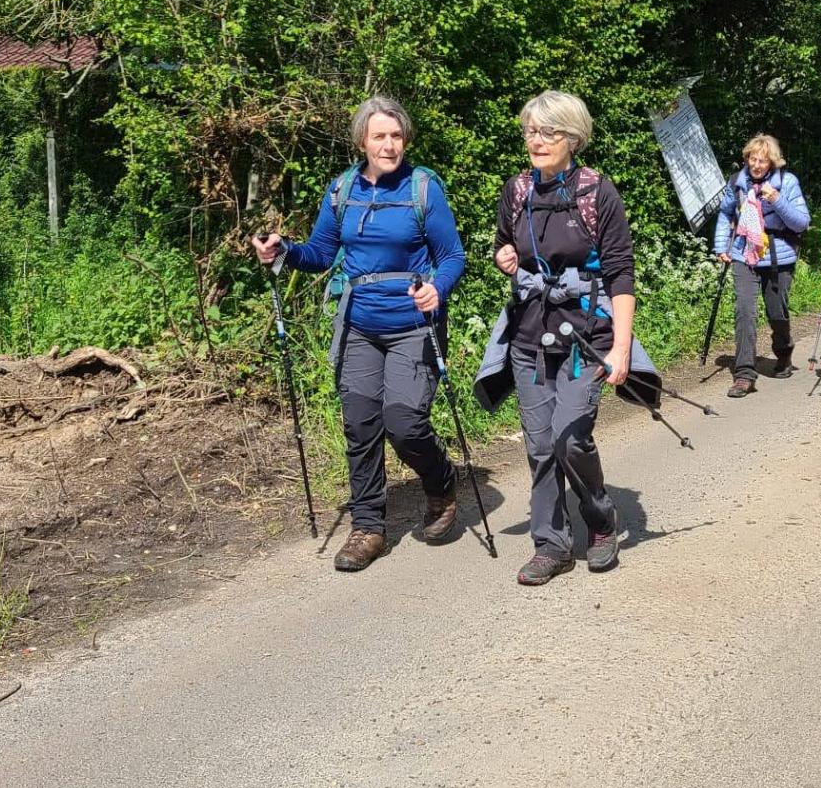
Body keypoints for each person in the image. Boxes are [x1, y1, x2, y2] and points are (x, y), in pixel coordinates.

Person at [252, 95, 467, 572]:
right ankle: (368, 526)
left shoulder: (423, 188)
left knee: (405, 421)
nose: (388, 145)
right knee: (361, 423)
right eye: (379, 136)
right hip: (359, 325)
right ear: (362, 141)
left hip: (413, 323)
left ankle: (441, 480)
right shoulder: (342, 190)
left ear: (405, 139)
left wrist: (437, 288)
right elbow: (321, 253)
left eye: (396, 136)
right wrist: (282, 251)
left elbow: (453, 256)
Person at [484, 91, 639, 587]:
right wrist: (504, 257)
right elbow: (503, 245)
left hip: (587, 338)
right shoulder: (517, 190)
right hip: (530, 335)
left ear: (572, 138)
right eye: (531, 130)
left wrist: (621, 347)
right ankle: (550, 544)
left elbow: (620, 274)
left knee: (570, 437)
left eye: (548, 132)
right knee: (539, 445)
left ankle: (600, 521)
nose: (537, 139)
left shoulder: (597, 193)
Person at [712, 134, 810, 398]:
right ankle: (744, 374)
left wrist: (777, 200)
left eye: (762, 160)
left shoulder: (787, 183)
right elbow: (724, 214)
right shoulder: (737, 182)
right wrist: (721, 247)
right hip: (745, 254)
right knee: (745, 311)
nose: (756, 165)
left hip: (778, 255)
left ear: (772, 162)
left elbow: (801, 223)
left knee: (776, 311)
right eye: (752, 159)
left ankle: (784, 350)